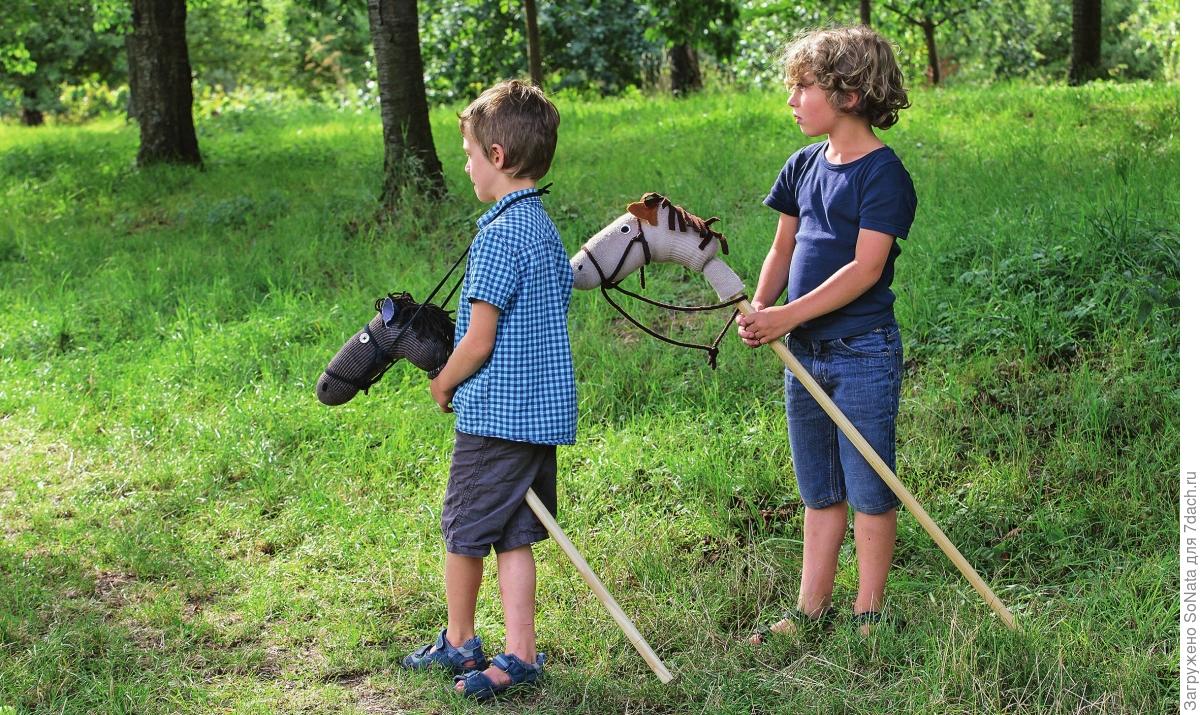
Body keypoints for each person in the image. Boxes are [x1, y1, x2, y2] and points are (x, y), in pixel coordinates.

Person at [736, 25, 917, 640]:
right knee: (819, 488)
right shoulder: (802, 165)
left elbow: (865, 269)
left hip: (863, 353)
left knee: (870, 486)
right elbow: (783, 245)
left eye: (802, 87)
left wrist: (786, 315)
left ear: (849, 92)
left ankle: (869, 613)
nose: (791, 101)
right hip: (804, 354)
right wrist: (760, 305)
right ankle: (811, 610)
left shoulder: (883, 175)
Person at [401, 79, 576, 700]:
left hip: (496, 419)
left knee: (463, 529)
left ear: (497, 158)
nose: (468, 166)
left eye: (471, 154)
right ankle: (521, 654)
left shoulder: (497, 235)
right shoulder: (544, 230)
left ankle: (459, 640)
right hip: (539, 417)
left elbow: (477, 340)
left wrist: (443, 382)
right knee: (515, 533)